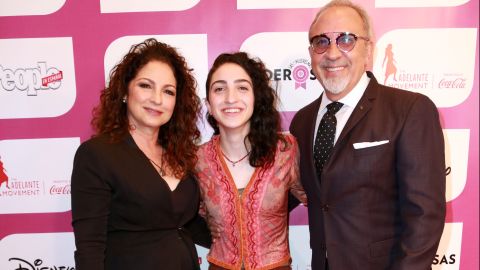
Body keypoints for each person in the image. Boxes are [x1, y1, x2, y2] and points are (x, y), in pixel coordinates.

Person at [289, 1, 446, 269]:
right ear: (311, 53)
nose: (333, 53)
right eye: (321, 42)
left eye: (347, 39)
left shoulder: (410, 110)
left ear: (369, 49)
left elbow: (424, 216)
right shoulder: (302, 122)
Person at [71, 38, 210, 270]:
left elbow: (183, 221)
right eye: (146, 85)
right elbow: (89, 247)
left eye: (168, 91)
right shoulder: (96, 155)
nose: (157, 99)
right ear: (125, 91)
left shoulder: (179, 154)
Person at [195, 52, 307, 270]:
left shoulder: (285, 150)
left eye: (242, 87)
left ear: (256, 98)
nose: (230, 98)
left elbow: (321, 201)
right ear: (208, 104)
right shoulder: (197, 160)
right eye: (219, 88)